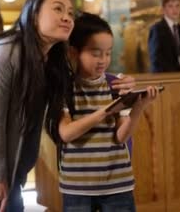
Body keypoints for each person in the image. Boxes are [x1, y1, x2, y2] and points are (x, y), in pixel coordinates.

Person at [0, 0, 136, 212]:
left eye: (70, 13)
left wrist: (120, 83)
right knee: (3, 205)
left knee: (14, 200)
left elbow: (82, 81)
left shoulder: (51, 59)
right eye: (58, 9)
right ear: (34, 13)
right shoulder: (3, 55)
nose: (66, 17)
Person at [49, 12, 159, 212]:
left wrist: (139, 107)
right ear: (74, 52)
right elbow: (66, 133)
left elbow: (121, 136)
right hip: (77, 186)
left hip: (118, 183)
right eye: (95, 53)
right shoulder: (64, 88)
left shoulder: (115, 84)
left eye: (108, 53)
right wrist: (105, 111)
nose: (103, 60)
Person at [148, 0, 180, 72]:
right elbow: (156, 59)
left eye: (177, 6)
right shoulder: (157, 29)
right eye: (170, 6)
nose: (175, 9)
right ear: (163, 9)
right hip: (164, 77)